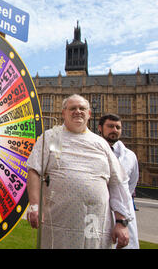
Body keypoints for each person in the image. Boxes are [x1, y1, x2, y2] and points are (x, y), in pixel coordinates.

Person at [26, 94, 132, 248]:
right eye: (72, 108)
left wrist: (121, 221)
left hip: (94, 220)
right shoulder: (54, 137)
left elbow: (118, 182)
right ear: (63, 113)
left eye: (82, 108)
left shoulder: (100, 144)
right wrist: (35, 205)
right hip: (58, 221)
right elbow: (35, 170)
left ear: (89, 114)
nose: (78, 111)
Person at [98, 113, 139, 249]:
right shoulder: (91, 151)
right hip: (98, 211)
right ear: (100, 128)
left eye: (118, 127)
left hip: (123, 217)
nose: (114, 130)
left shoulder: (130, 156)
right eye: (110, 126)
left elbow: (130, 184)